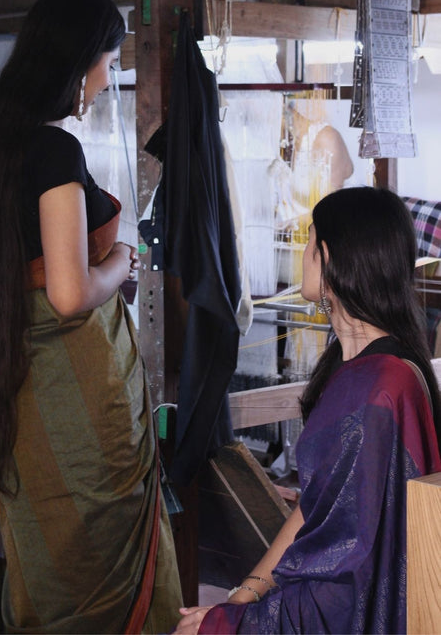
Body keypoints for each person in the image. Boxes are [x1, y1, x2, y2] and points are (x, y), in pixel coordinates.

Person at [0, 0, 182, 633]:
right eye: (108, 63)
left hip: (22, 388)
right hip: (75, 395)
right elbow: (68, 293)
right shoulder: (55, 151)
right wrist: (121, 262)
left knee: (47, 546)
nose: (107, 80)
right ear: (80, 63)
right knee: (95, 546)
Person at [174, 186, 441, 635]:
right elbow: (316, 509)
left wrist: (230, 624)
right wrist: (240, 598)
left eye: (309, 241)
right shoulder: (367, 368)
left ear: (330, 258)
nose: (302, 256)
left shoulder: (375, 389)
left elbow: (343, 585)